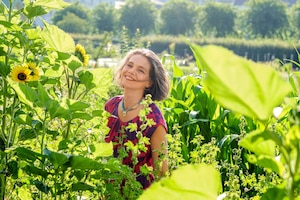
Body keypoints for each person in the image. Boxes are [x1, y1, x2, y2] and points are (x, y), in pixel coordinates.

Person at [104, 48, 170, 189]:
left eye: (141, 70)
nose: (131, 71)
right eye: (129, 65)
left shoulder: (153, 120)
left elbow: (162, 174)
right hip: (108, 192)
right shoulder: (111, 106)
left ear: (149, 83)